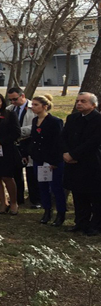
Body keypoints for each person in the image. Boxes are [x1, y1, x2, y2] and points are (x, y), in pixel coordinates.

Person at [60, 92, 101, 235]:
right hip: (73, 163)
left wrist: (74, 154)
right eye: (77, 101)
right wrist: (66, 153)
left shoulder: (98, 120)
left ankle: (95, 225)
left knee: (95, 196)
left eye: (83, 101)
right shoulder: (72, 118)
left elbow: (94, 142)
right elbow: (63, 137)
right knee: (78, 195)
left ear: (93, 105)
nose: (79, 103)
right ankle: (80, 222)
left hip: (91, 163)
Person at [28, 95, 65, 226]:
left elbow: (58, 142)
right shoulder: (34, 121)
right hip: (39, 158)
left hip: (53, 160)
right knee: (42, 186)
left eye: (36, 105)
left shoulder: (55, 121)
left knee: (56, 187)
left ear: (45, 106)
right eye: (32, 105)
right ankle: (47, 211)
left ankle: (60, 214)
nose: (33, 107)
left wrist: (54, 161)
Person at [7, 87, 39, 207]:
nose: (13, 102)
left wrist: (18, 132)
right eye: (10, 100)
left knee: (31, 173)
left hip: (30, 142)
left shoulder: (33, 107)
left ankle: (35, 199)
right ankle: (17, 198)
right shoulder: (10, 109)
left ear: (22, 96)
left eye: (15, 99)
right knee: (16, 173)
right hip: (15, 144)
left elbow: (35, 126)